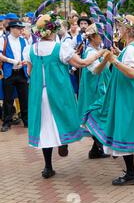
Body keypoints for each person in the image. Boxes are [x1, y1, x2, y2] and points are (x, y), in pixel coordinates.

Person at [25, 14, 105, 179]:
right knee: (64, 118)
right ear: (54, 29)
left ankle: (48, 167)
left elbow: (30, 72)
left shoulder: (31, 49)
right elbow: (81, 63)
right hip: (58, 92)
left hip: (39, 94)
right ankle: (63, 142)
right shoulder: (60, 48)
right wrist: (99, 54)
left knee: (44, 127)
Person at [83, 15, 134, 186]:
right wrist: (118, 55)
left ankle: (131, 173)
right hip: (127, 96)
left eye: (120, 27)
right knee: (124, 132)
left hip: (127, 98)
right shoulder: (132, 48)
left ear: (128, 30)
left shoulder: (132, 49)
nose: (118, 30)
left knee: (123, 132)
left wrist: (114, 61)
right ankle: (130, 172)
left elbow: (132, 73)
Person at [77, 24, 111, 159]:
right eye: (100, 35)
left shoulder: (98, 50)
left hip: (101, 86)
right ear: (92, 37)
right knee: (96, 114)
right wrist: (106, 59)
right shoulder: (91, 52)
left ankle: (96, 149)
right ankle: (98, 147)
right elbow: (96, 70)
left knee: (99, 115)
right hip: (94, 89)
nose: (102, 37)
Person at [0, 20, 29, 132]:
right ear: (11, 29)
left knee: (24, 98)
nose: (21, 30)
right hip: (9, 73)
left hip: (22, 73)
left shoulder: (24, 41)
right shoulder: (3, 39)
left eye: (21, 28)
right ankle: (7, 122)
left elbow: (27, 54)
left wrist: (26, 61)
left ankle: (26, 121)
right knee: (8, 99)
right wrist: (12, 61)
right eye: (18, 28)